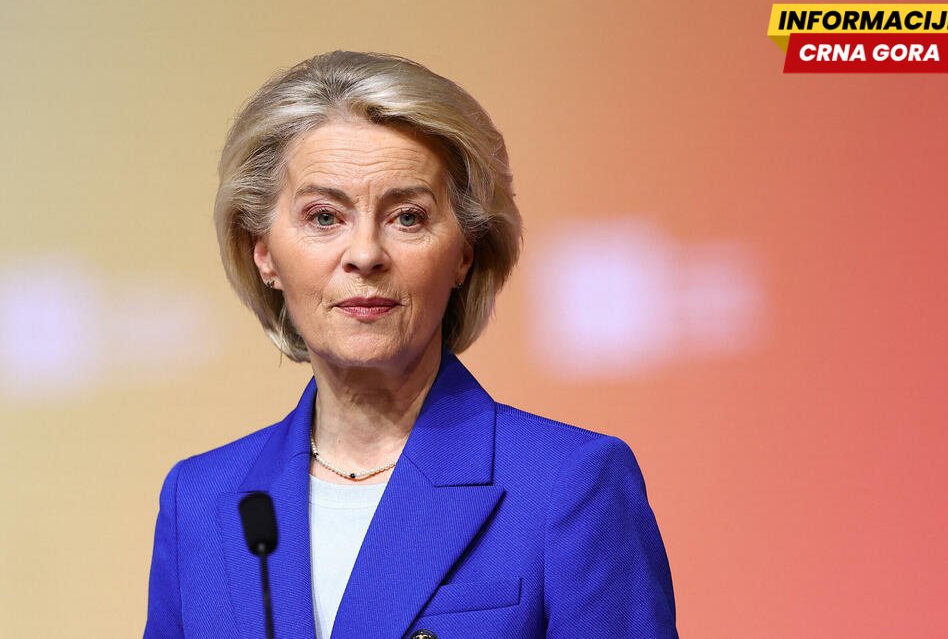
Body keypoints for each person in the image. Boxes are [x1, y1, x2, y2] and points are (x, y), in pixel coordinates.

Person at [144, 50, 679, 639]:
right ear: (263, 253)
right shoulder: (202, 501)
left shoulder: (569, 483)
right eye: (323, 217)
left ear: (464, 253)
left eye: (407, 217)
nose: (365, 254)